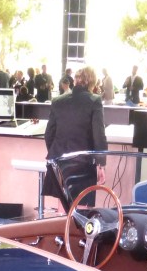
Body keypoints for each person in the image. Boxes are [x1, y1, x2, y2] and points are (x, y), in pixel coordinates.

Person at [42, 65, 107, 210]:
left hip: (59, 162)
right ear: (92, 82)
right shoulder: (94, 101)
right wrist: (101, 164)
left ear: (76, 81)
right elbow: (99, 136)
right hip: (82, 163)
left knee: (63, 209)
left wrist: (56, 153)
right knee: (81, 211)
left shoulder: (58, 101)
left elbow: (48, 134)